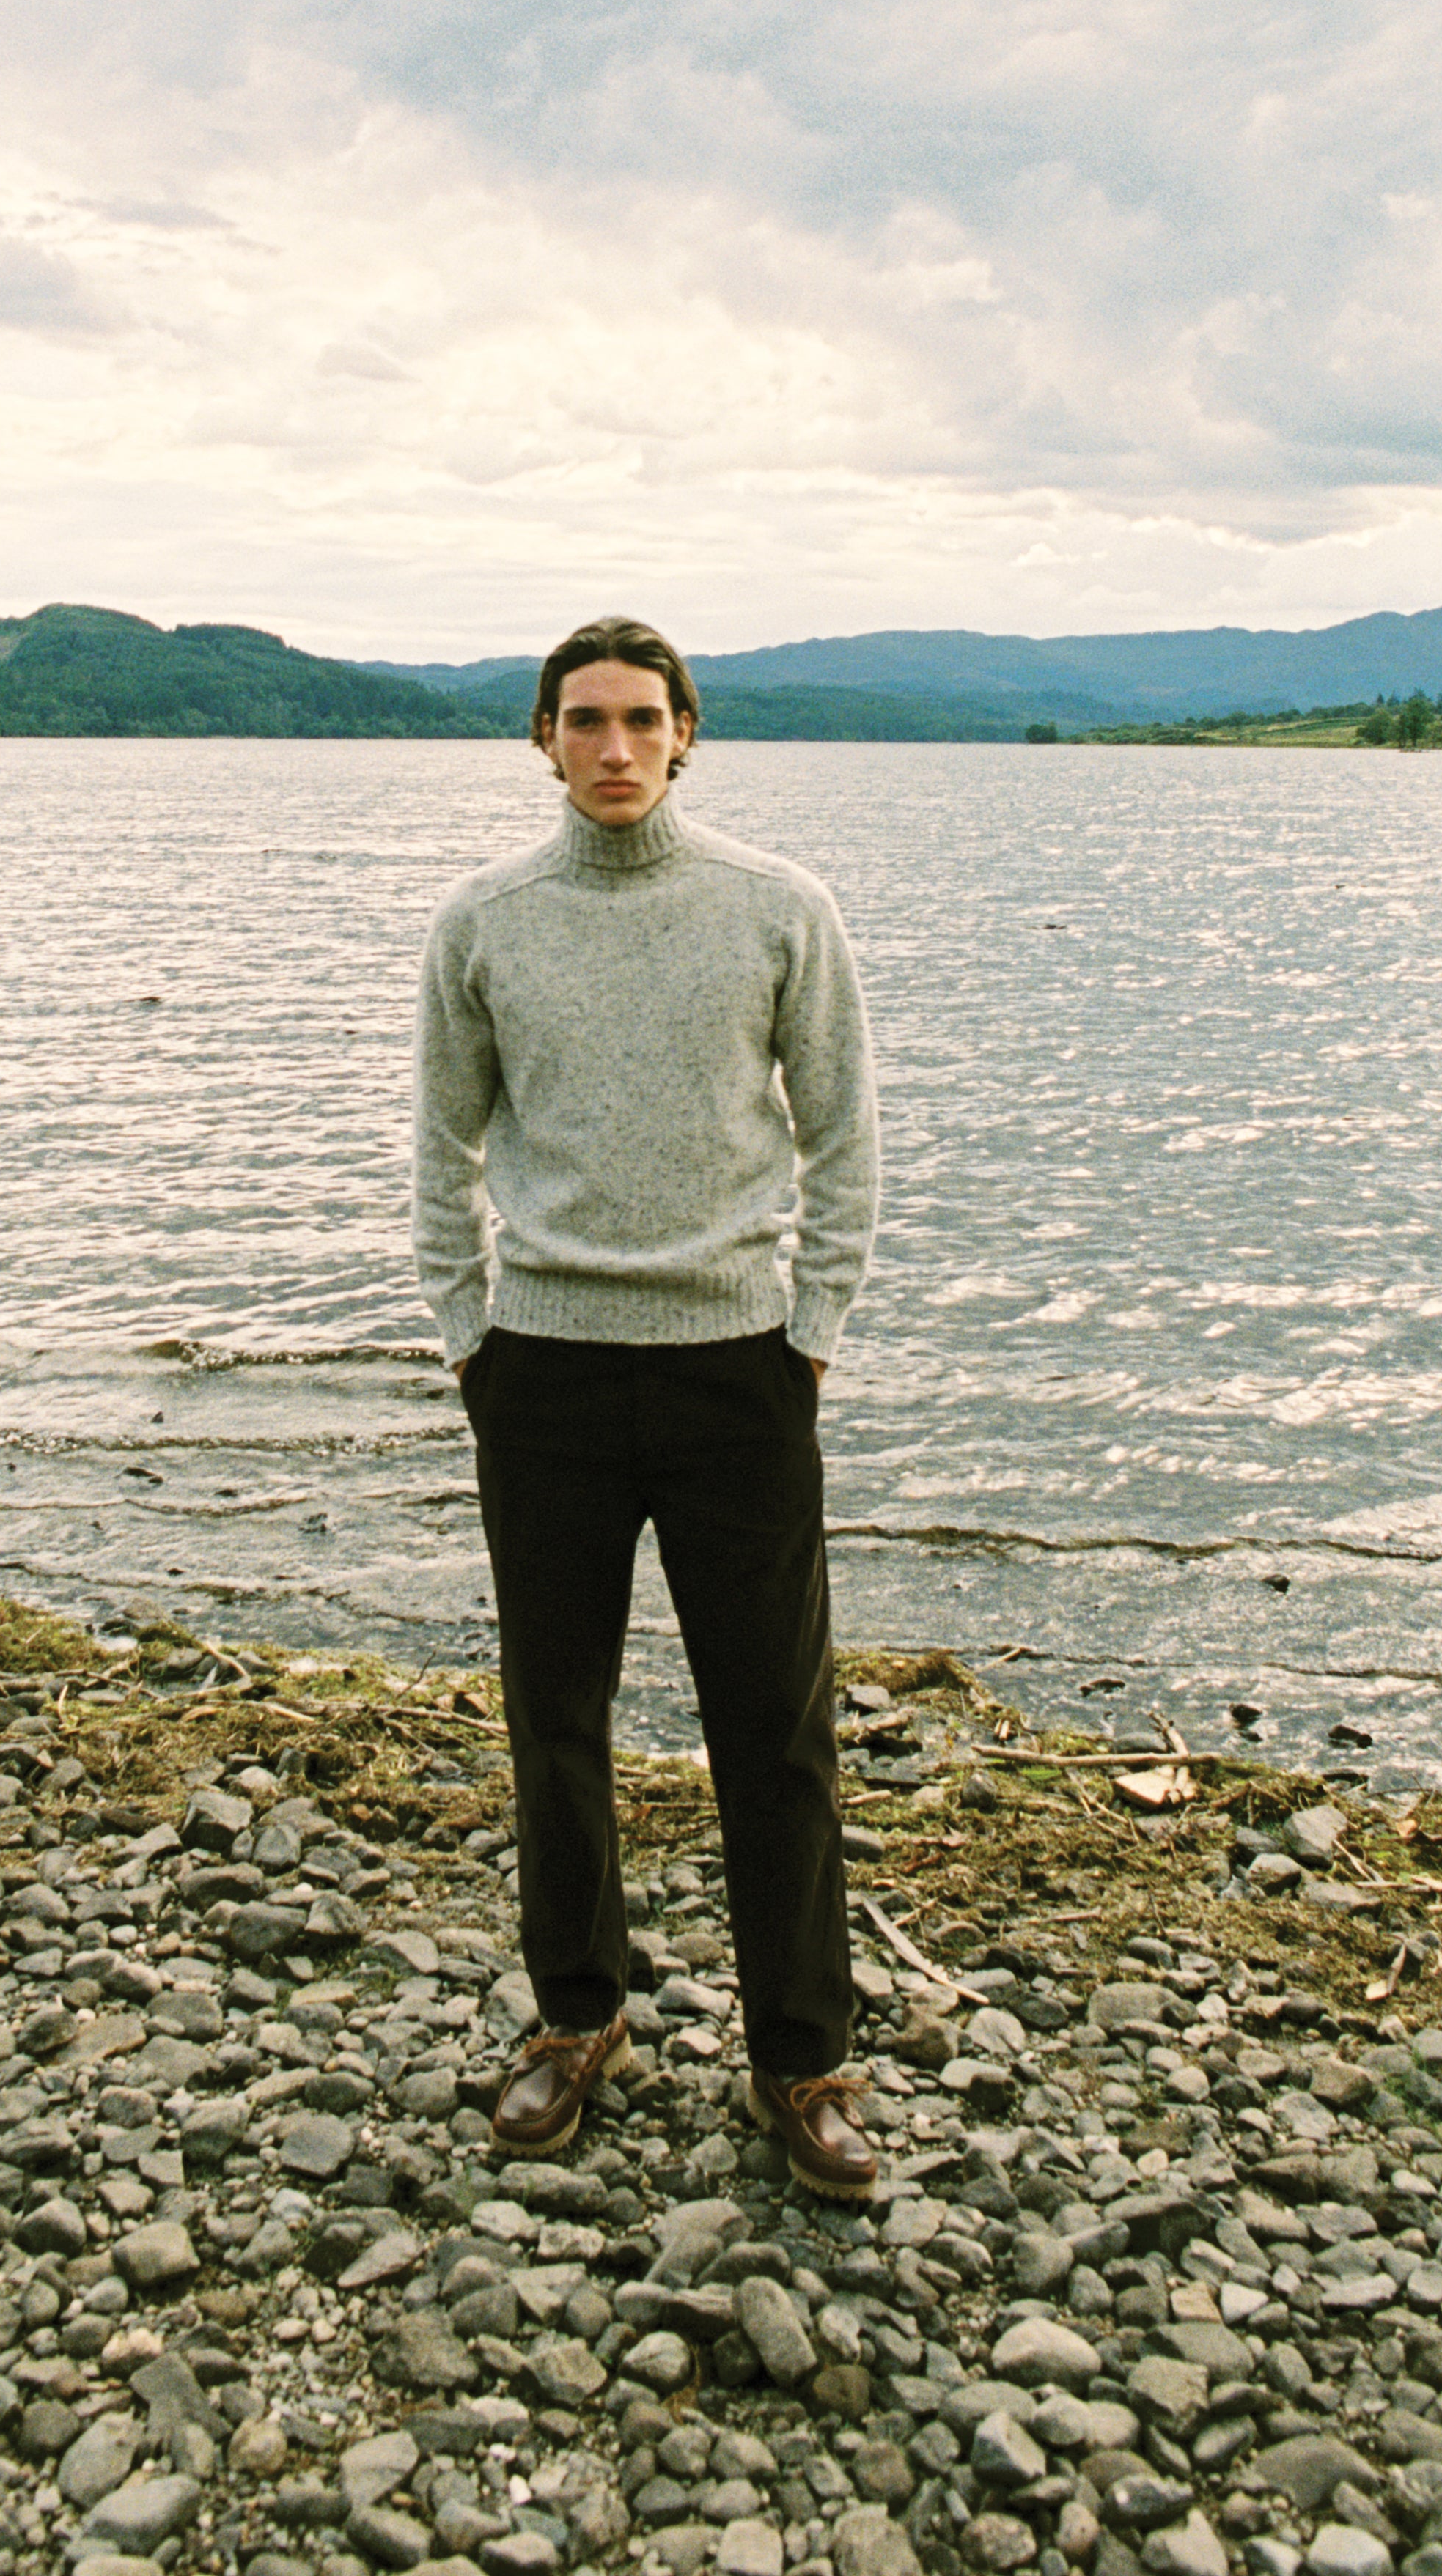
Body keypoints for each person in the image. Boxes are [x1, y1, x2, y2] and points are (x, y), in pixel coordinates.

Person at [411, 614, 880, 2199]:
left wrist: (809, 1329)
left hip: (737, 1374)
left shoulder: (776, 912)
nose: (614, 748)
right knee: (556, 1721)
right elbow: (441, 1150)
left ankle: (801, 2063)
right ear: (541, 741)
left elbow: (844, 1138)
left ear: (689, 734)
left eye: (642, 719)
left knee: (778, 1730)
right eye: (583, 721)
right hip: (540, 1373)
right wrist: (469, 1332)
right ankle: (576, 2019)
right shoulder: (484, 923)